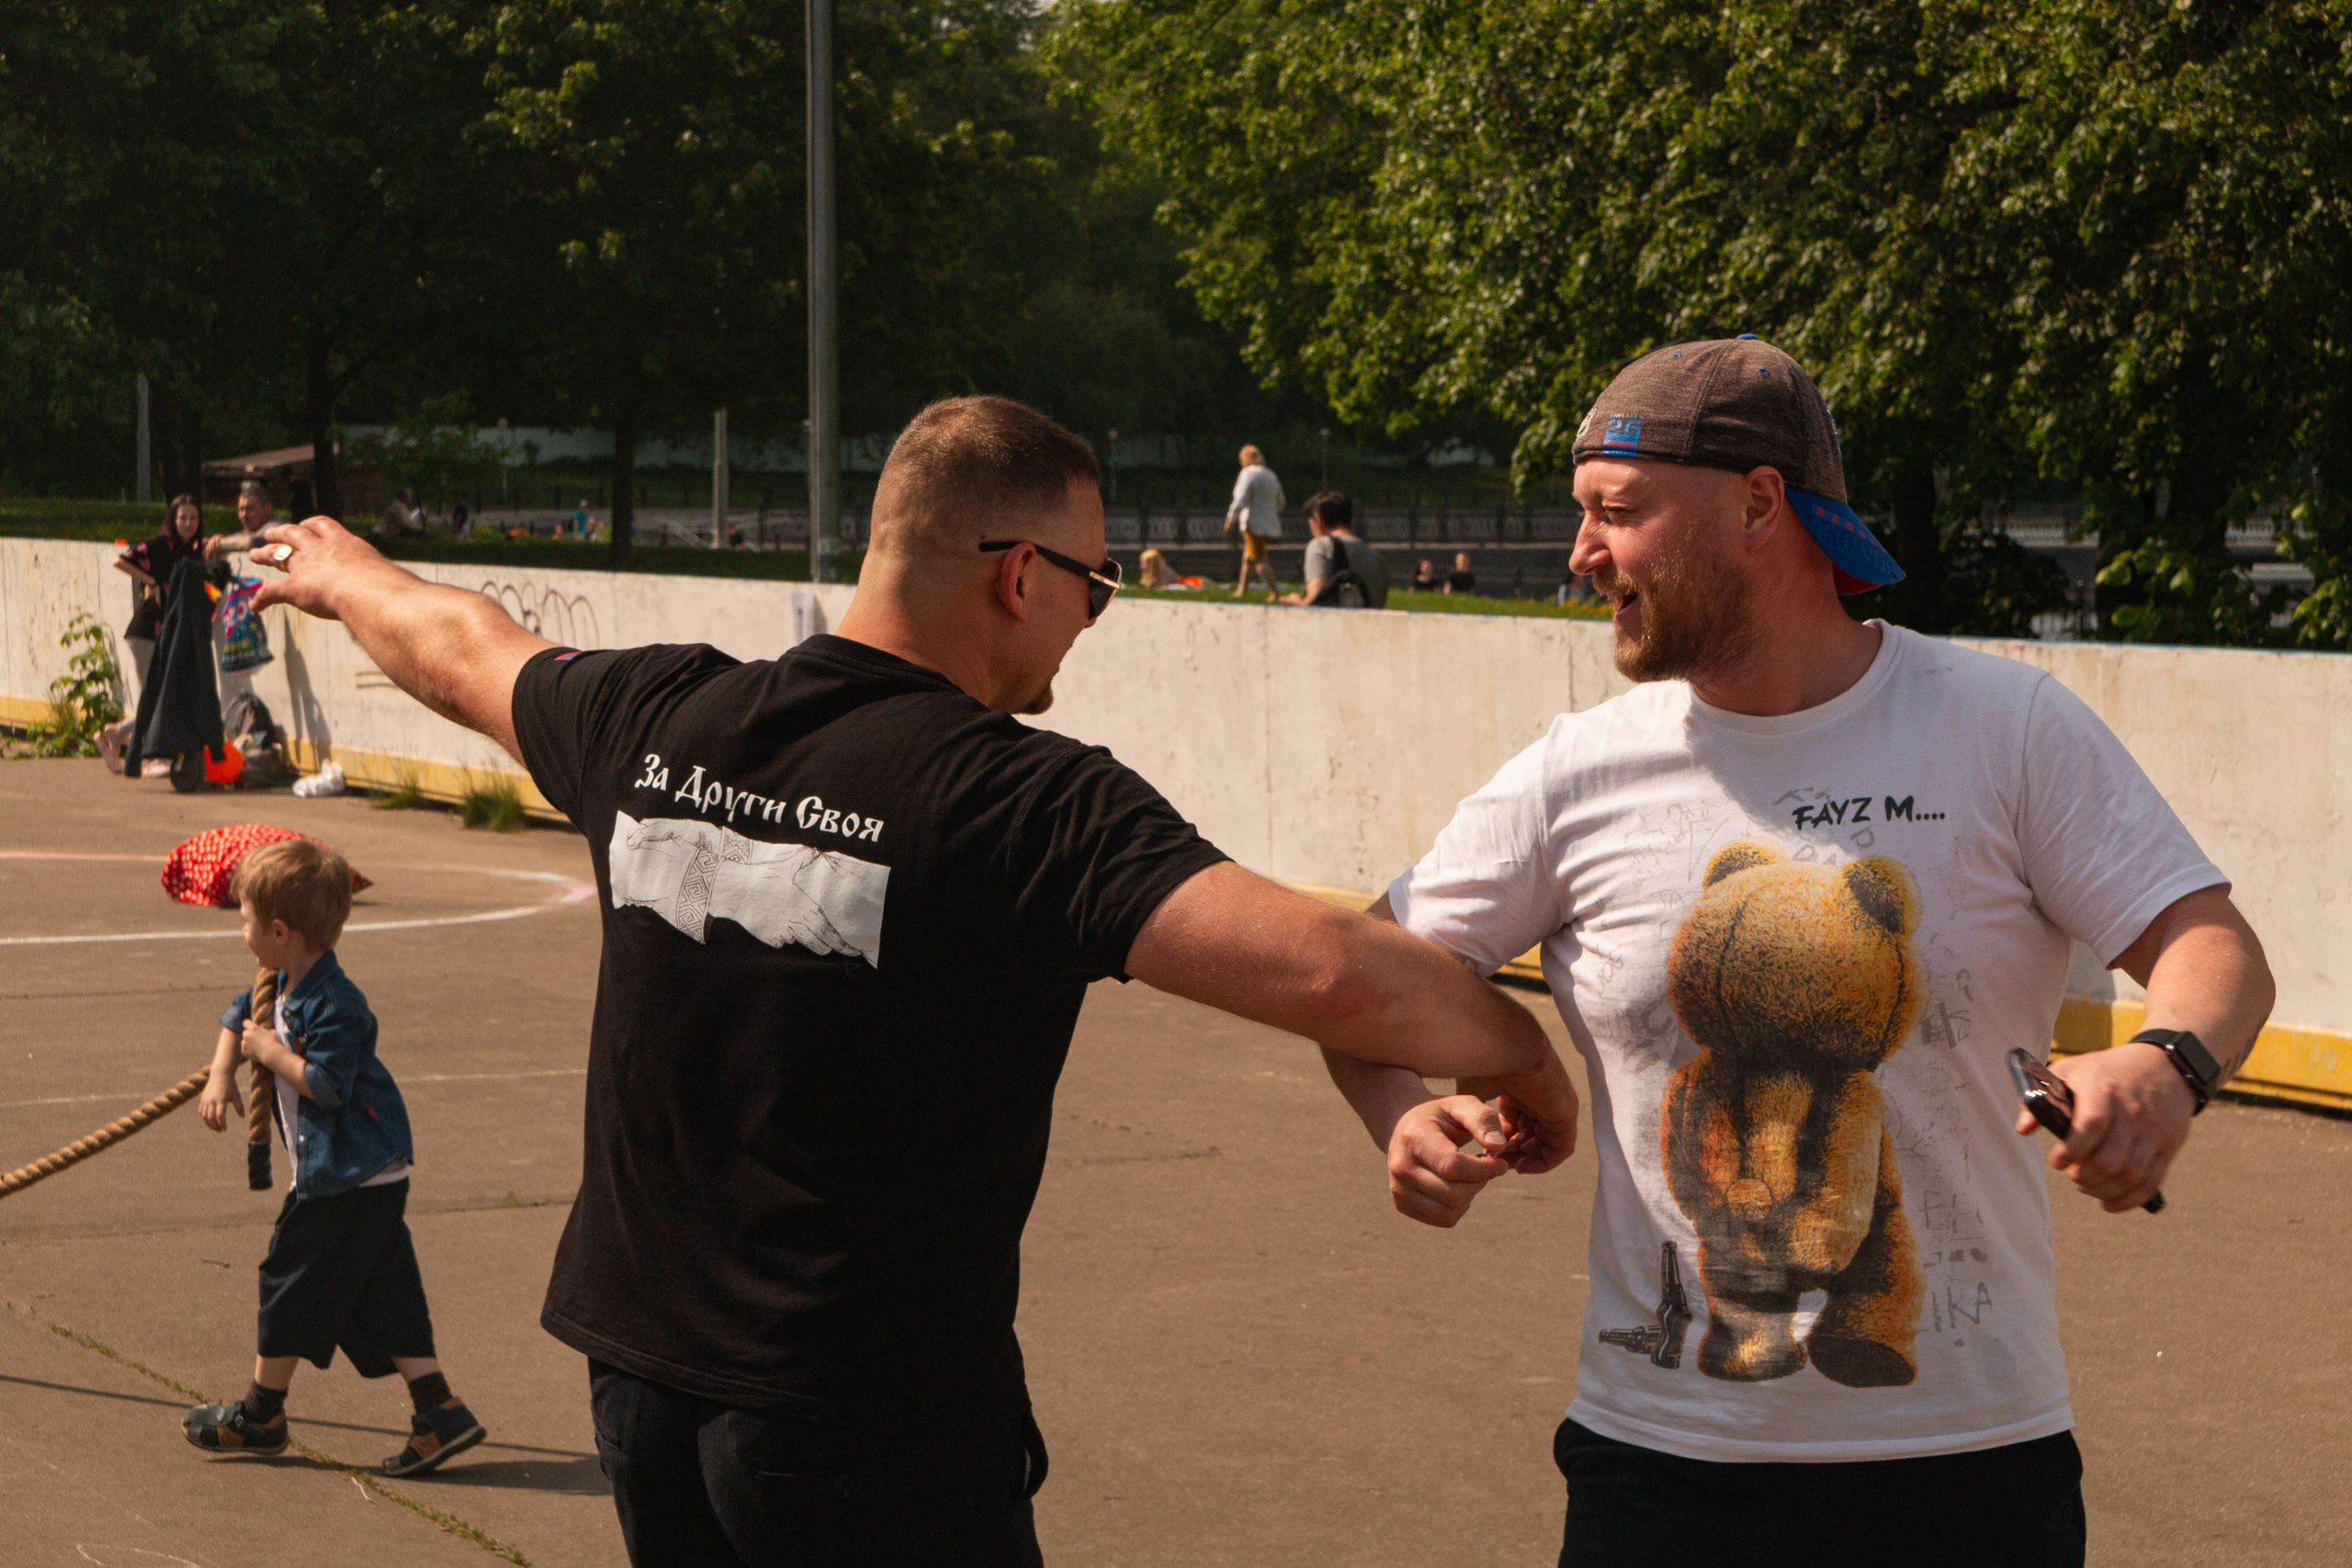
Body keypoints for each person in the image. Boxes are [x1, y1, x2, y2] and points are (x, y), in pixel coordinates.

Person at [246, 394, 1576, 1567]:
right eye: (1094, 587)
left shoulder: (657, 720)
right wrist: (1525, 1059)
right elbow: (1332, 971)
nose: (1090, 618)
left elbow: (460, 646)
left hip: (641, 1393)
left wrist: (346, 573)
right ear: (1019, 575)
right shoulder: (1021, 802)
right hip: (865, 1426)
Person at [1321, 337, 2275, 1568]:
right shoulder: (1573, 772)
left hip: (1966, 1469)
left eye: (1617, 511)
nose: (1581, 552)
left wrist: (2165, 1060)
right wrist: (1400, 1111)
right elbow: (1362, 977)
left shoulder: (2002, 727)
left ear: (1758, 503)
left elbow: (2211, 943)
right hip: (1664, 1467)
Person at [182, 838, 487, 1477]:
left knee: (286, 1280)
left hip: (348, 1178)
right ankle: (440, 1410)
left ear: (280, 932)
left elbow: (327, 1085)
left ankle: (262, 1414)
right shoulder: (277, 983)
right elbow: (237, 1019)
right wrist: (221, 1073)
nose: (240, 931)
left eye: (245, 921)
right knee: (383, 1294)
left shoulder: (336, 1004)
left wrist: (269, 1055)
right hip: (365, 1179)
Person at [114, 494, 209, 684]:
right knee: (153, 694)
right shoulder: (160, 544)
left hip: (170, 634)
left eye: (193, 518)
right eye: (183, 518)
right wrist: (151, 582)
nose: (188, 523)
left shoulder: (192, 552)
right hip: (148, 632)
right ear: (173, 520)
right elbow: (120, 561)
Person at [1280, 491, 1387, 608]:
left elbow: (1313, 606)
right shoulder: (1376, 556)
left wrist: (1294, 601)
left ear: (1318, 520)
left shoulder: (1321, 545)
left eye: (1310, 525)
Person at [1223, 443, 1283, 598]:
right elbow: (1281, 501)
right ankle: (1241, 590)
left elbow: (1240, 499)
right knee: (1249, 557)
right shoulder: (1270, 474)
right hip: (1268, 522)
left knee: (1259, 558)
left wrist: (1231, 519)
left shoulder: (1247, 474)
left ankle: (1274, 593)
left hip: (1253, 522)